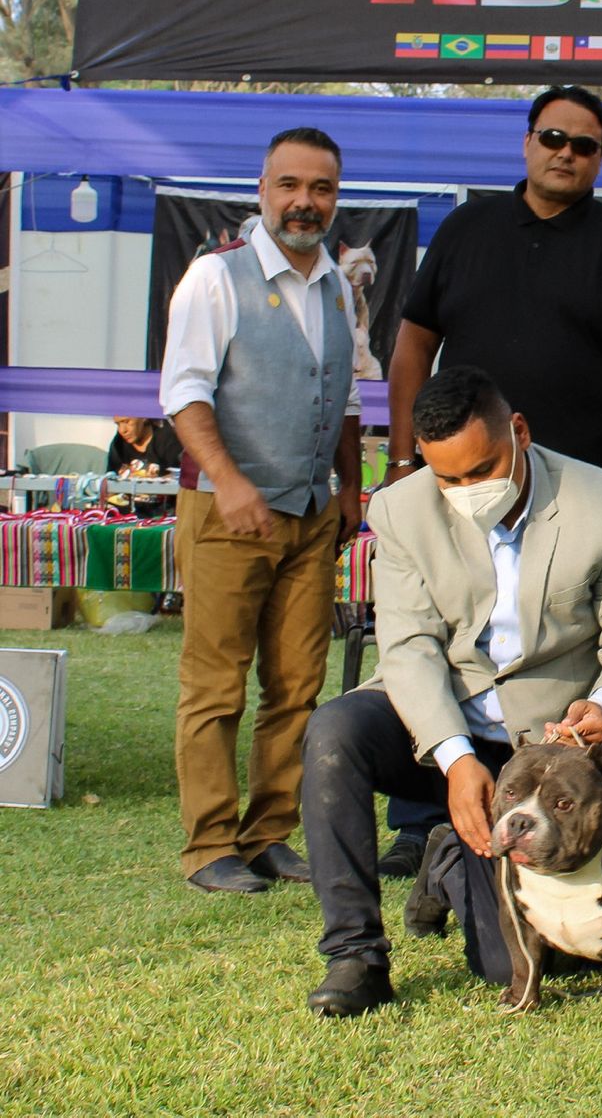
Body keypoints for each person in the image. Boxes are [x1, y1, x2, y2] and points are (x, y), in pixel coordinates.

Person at [377, 85, 602, 876]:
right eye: (552, 137)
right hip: (457, 486)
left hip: (567, 501)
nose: (565, 153)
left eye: (584, 145)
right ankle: (421, 821)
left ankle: (544, 815)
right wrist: (404, 459)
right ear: (526, 141)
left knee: (546, 663)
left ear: (600, 158)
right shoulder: (467, 229)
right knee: (445, 642)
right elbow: (413, 343)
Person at [300, 366, 602, 1017]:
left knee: (508, 963)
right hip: (437, 721)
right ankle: (355, 956)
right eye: (448, 479)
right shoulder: (400, 509)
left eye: (482, 470)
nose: (468, 492)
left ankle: (446, 859)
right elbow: (408, 648)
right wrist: (455, 758)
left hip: (540, 748)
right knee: (334, 731)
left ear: (518, 432)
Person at [162, 127, 362, 895]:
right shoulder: (215, 277)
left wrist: (350, 487)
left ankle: (267, 834)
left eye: (320, 189)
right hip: (226, 512)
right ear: (262, 191)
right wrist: (230, 481)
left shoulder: (338, 284)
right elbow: (183, 392)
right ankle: (209, 844)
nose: (304, 202)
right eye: (290, 185)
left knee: (296, 685)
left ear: (335, 199)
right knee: (216, 684)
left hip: (311, 514)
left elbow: (344, 395)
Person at [107, 416, 182, 476]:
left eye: (127, 421)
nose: (122, 430)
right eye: (118, 424)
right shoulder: (118, 444)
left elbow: (177, 477)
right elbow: (110, 479)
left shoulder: (167, 439)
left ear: (143, 417)